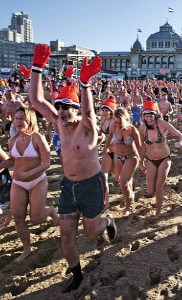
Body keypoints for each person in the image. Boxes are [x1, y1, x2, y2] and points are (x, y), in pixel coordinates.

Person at [29, 44, 117, 293]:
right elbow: (35, 100)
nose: (60, 111)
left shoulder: (87, 127)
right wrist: (37, 68)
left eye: (66, 107)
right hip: (69, 186)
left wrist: (86, 85)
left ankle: (107, 220)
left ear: (76, 111)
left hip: (91, 185)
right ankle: (76, 273)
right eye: (58, 106)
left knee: (91, 233)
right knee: (66, 235)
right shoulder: (58, 122)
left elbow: (89, 111)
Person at [0, 107, 59, 262]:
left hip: (37, 180)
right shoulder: (13, 140)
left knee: (36, 218)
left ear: (30, 120)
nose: (18, 122)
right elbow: (13, 160)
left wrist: (28, 173)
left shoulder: (37, 138)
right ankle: (27, 249)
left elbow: (47, 163)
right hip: (18, 182)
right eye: (16, 118)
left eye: (22, 119)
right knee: (18, 218)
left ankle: (51, 211)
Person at [139, 101, 182, 216]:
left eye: (151, 116)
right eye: (146, 116)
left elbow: (180, 135)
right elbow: (142, 146)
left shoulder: (162, 124)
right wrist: (141, 162)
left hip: (164, 159)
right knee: (150, 190)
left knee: (159, 187)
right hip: (151, 160)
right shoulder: (142, 128)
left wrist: (180, 143)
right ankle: (160, 198)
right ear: (143, 116)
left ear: (155, 115)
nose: (149, 119)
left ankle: (158, 211)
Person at [103, 107, 142, 217]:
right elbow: (109, 138)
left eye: (119, 123)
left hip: (132, 157)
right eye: (115, 122)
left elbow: (140, 147)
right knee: (122, 180)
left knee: (123, 183)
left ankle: (128, 207)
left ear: (125, 119)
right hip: (118, 157)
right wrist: (106, 148)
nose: (117, 125)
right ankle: (130, 196)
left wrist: (142, 162)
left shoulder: (132, 130)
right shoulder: (113, 127)